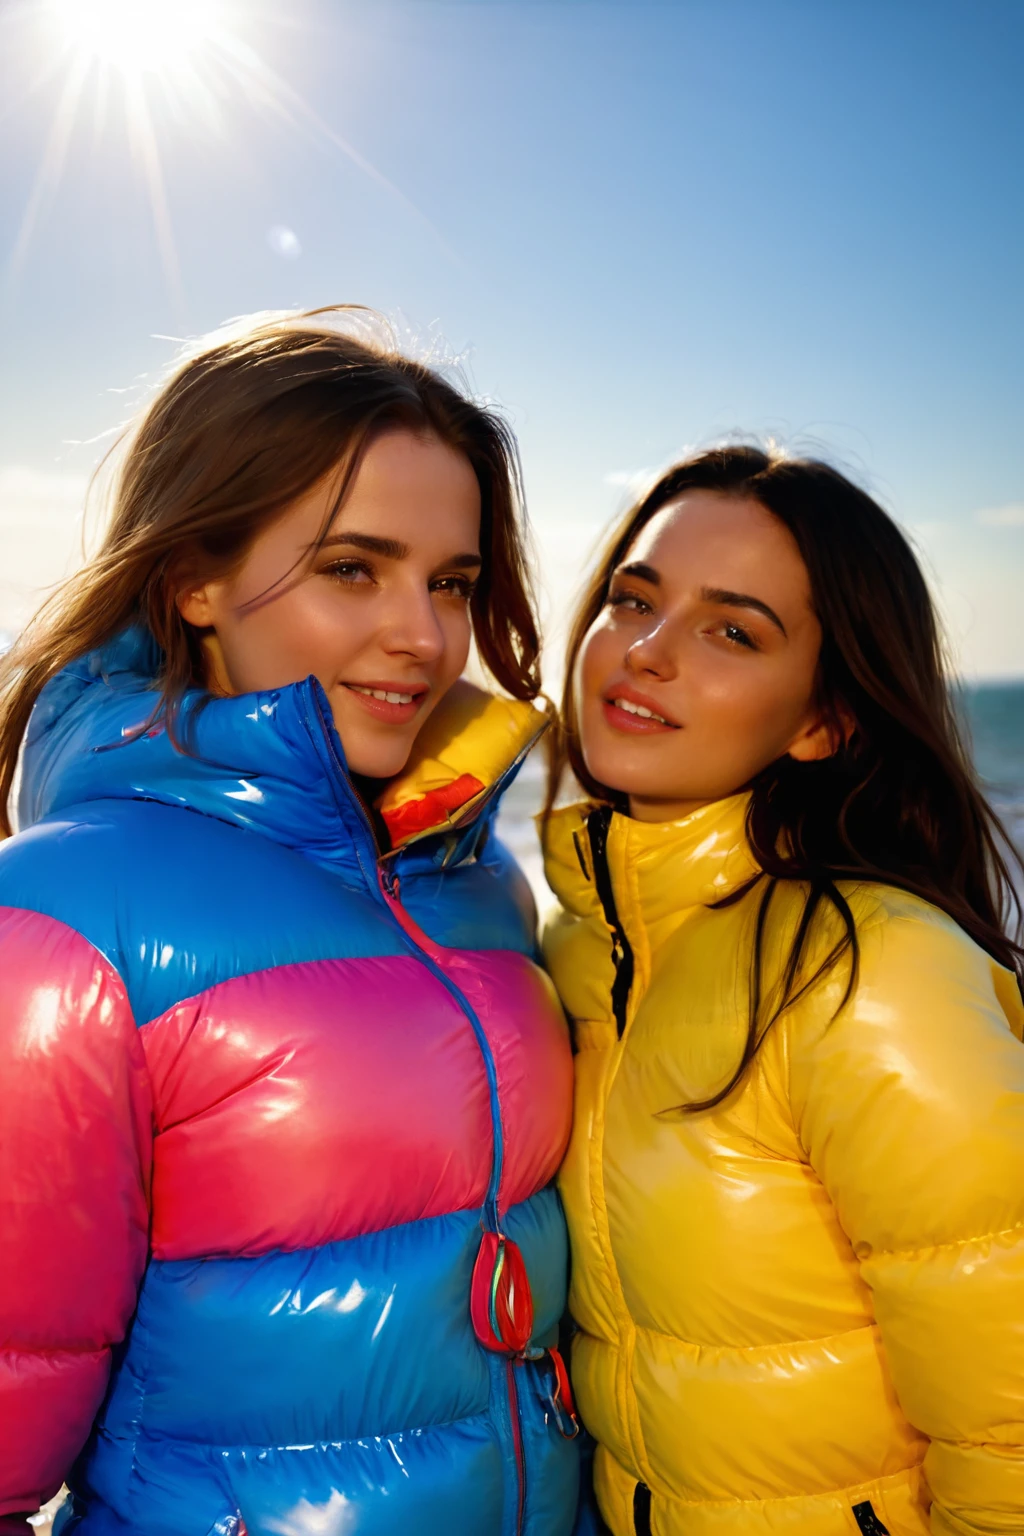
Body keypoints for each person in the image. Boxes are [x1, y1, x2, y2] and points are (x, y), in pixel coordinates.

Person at [0, 308, 580, 1535]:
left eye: (453, 582)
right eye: (351, 568)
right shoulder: (62, 915)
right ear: (193, 581)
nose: (420, 637)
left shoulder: (479, 885)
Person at [540, 445, 1024, 1536]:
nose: (645, 652)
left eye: (732, 631)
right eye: (634, 600)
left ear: (824, 721)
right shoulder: (573, 949)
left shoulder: (870, 967)